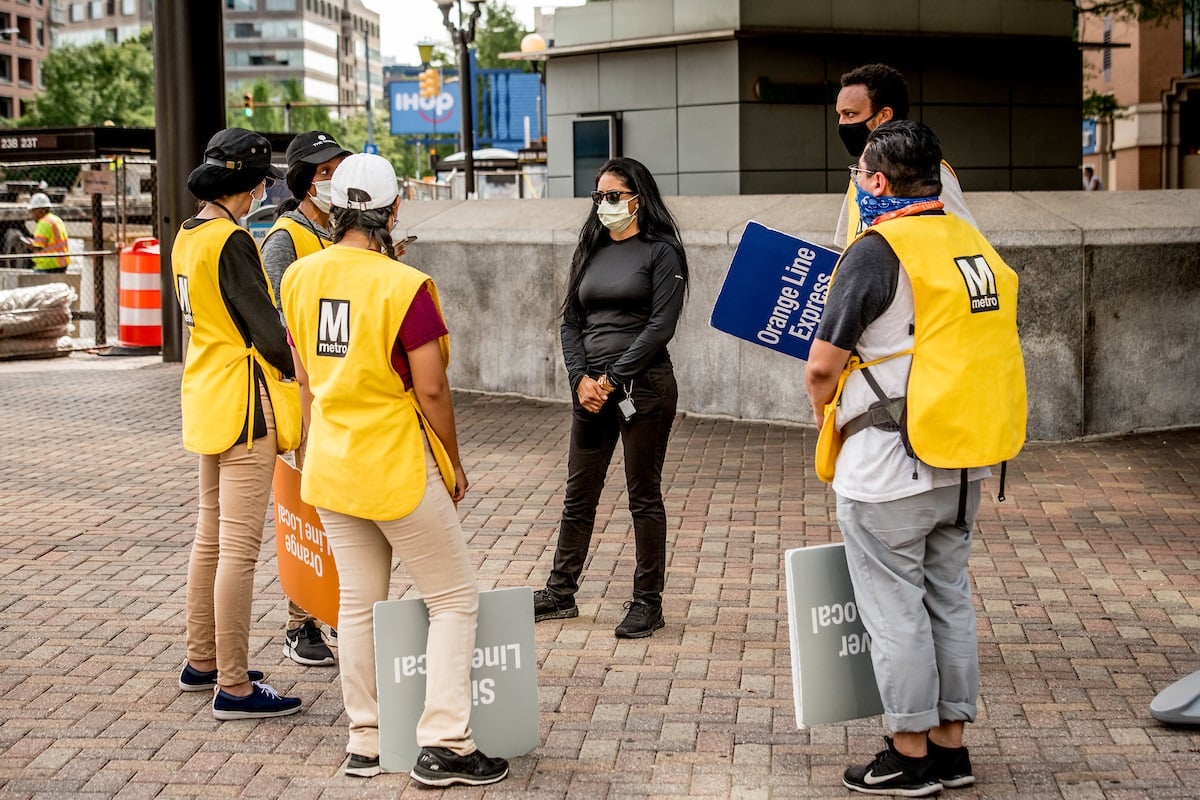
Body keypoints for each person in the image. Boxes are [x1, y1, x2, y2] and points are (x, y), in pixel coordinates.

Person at [806, 120, 1024, 796]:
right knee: (949, 601)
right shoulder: (972, 243)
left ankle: (908, 753)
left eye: (860, 175)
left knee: (894, 610)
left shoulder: (876, 251)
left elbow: (822, 365)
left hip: (887, 465)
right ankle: (951, 748)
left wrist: (824, 415)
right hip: (965, 460)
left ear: (876, 181)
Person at [280, 153, 508, 786]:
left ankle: (365, 739)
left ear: (334, 206)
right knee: (455, 600)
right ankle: (445, 743)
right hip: (396, 463)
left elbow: (303, 377)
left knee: (357, 602)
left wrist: (304, 449)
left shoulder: (299, 277)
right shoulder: (405, 286)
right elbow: (432, 390)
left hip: (330, 460)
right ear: (394, 209)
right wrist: (455, 463)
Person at [171, 127, 303, 720]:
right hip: (246, 405)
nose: (257, 197)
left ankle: (203, 661)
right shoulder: (231, 240)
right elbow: (268, 333)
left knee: (210, 537)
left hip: (205, 394)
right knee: (240, 551)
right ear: (245, 185)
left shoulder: (185, 235)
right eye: (256, 186)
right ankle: (235, 685)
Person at [531, 156, 688, 639]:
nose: (604, 205)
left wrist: (614, 378)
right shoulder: (591, 249)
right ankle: (560, 593)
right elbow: (570, 322)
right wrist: (581, 378)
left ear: (638, 198)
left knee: (643, 495)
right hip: (591, 392)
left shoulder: (663, 253)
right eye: (598, 196)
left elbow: (661, 326)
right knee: (579, 494)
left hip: (643, 389)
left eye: (613, 196)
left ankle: (648, 602)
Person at [261, 129, 352, 668]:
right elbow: (280, 321)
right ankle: (300, 621)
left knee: (339, 505)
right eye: (324, 171)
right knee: (308, 506)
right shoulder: (285, 239)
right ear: (302, 181)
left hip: (342, 390)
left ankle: (337, 607)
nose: (333, 179)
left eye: (339, 168)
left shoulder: (338, 231)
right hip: (307, 393)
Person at [833, 63, 977, 249]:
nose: (841, 123)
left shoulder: (924, 172)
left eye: (850, 114)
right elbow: (848, 246)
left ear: (884, 115)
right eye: (840, 115)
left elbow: (967, 246)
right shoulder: (861, 175)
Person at [22, 192, 71, 273]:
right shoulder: (56, 219)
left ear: (41, 210)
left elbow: (38, 247)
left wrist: (29, 245)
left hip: (48, 264)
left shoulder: (43, 223)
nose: (32, 215)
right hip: (61, 263)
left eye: (33, 211)